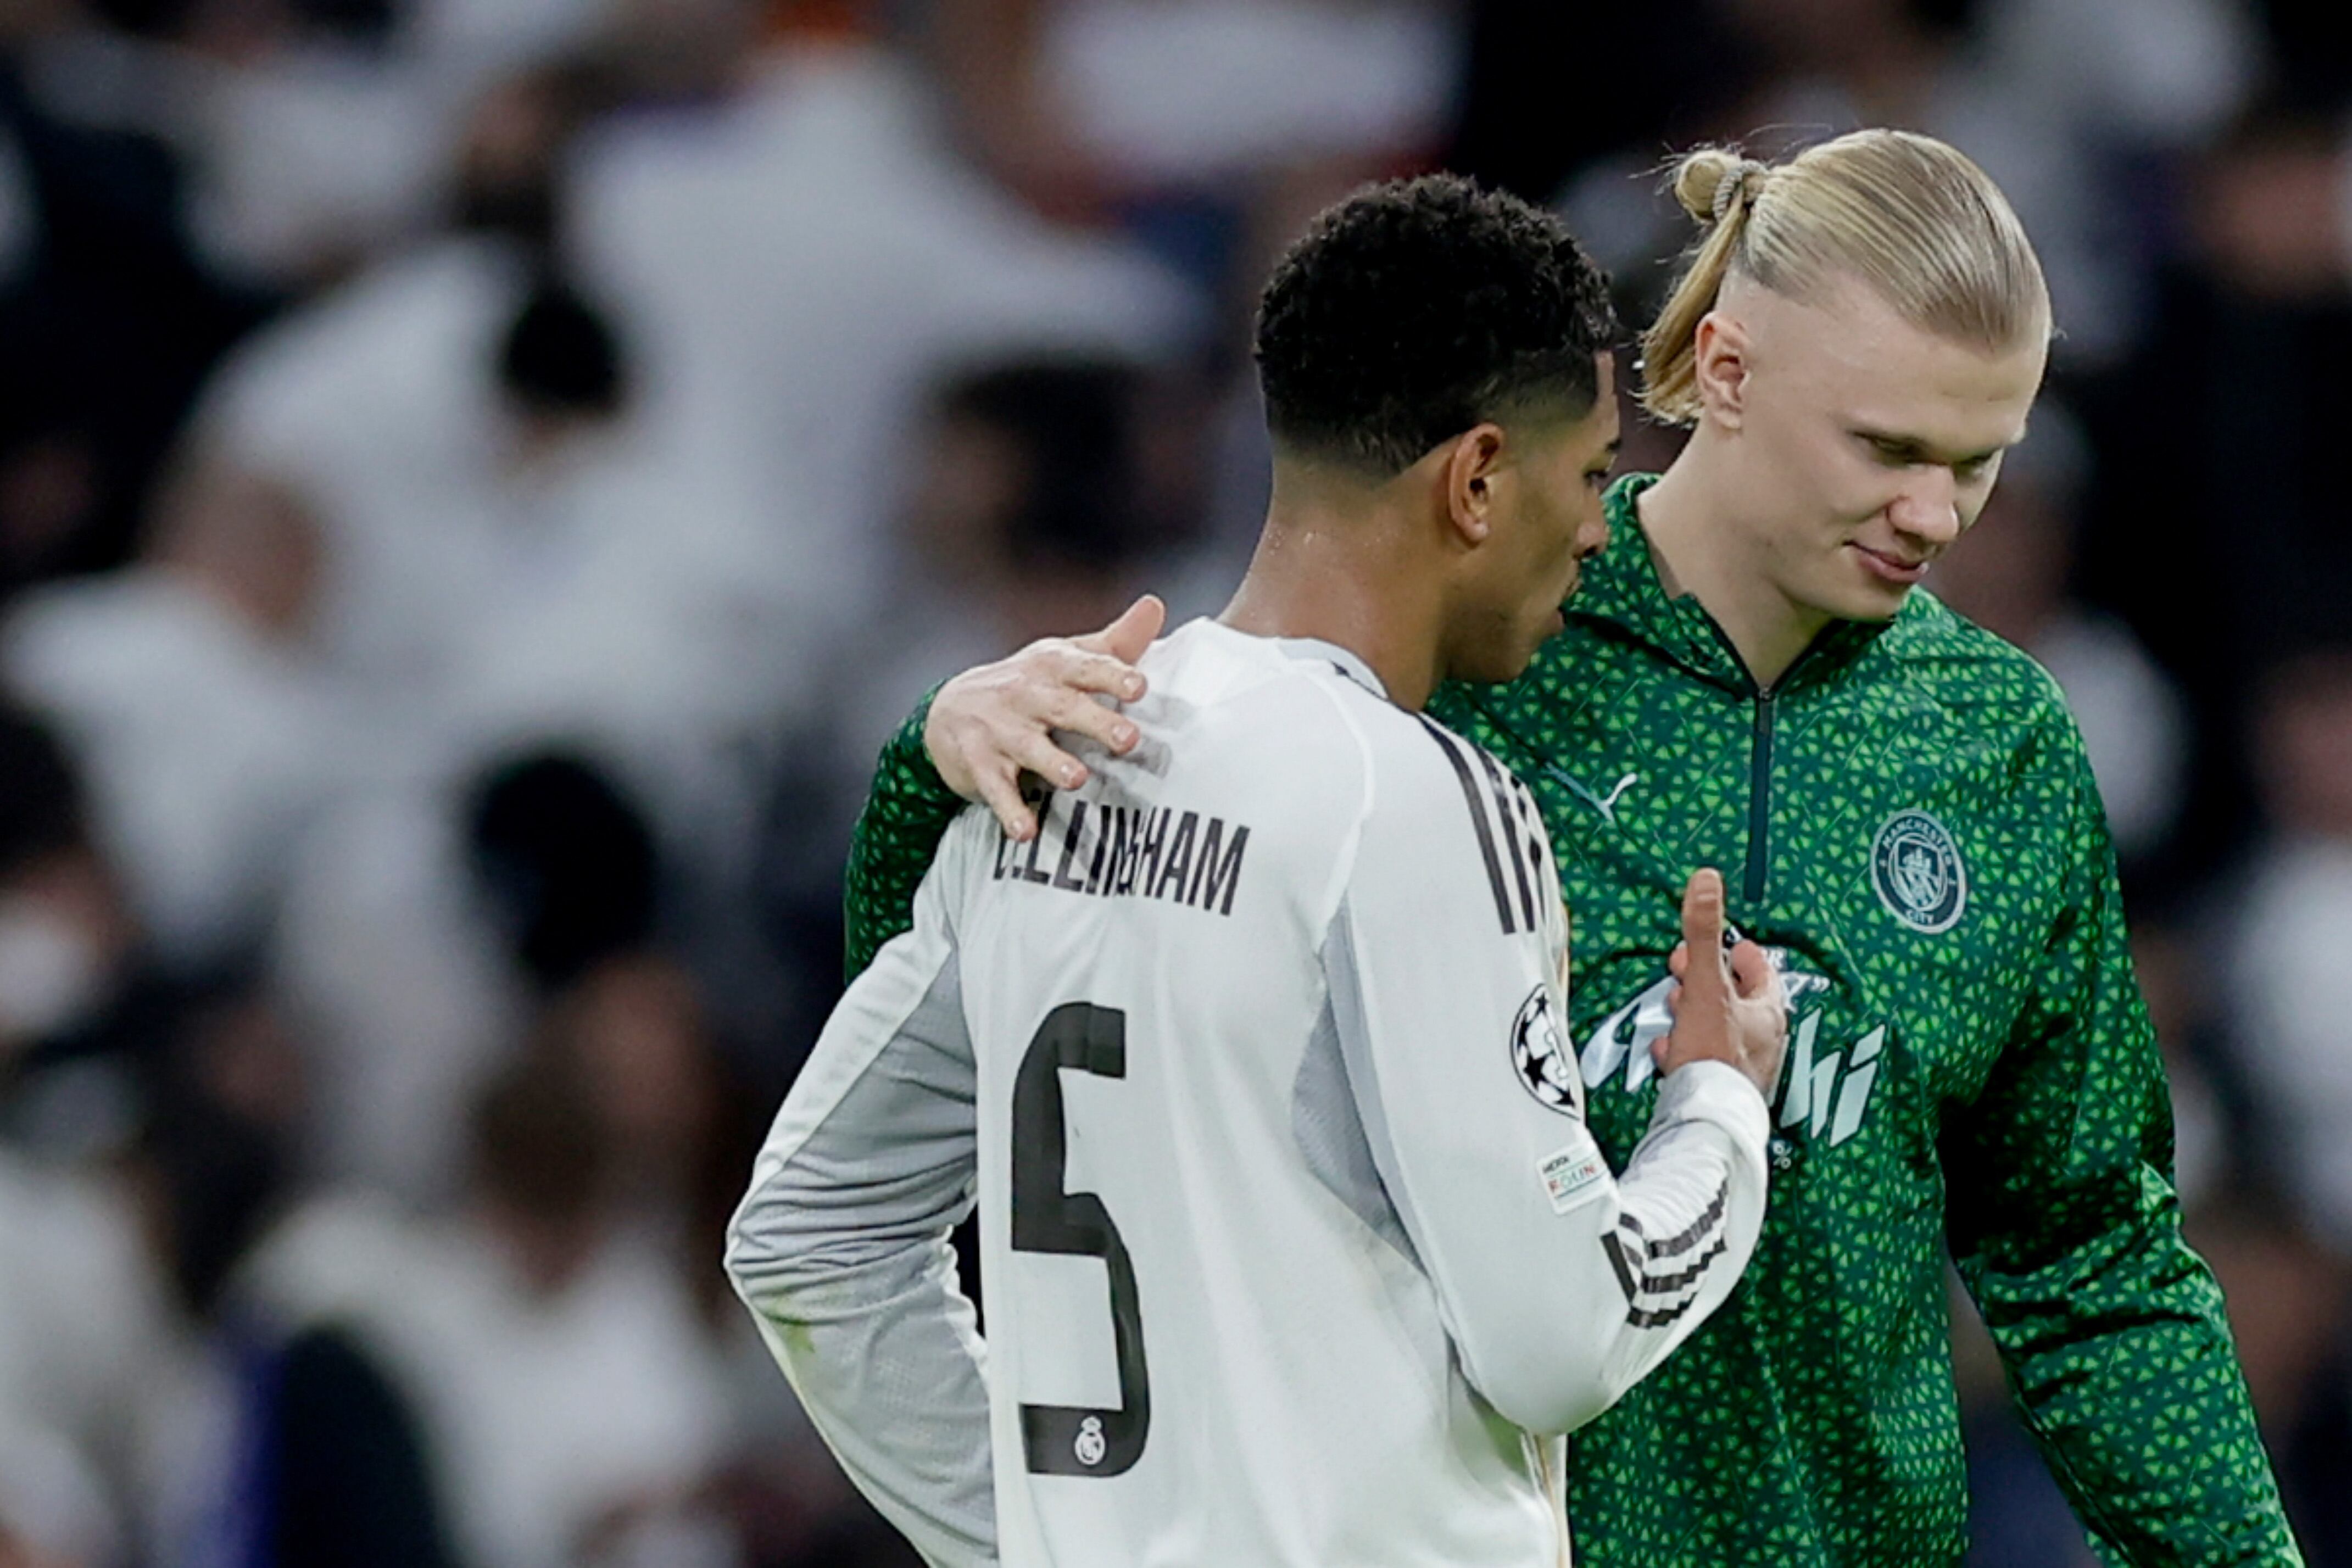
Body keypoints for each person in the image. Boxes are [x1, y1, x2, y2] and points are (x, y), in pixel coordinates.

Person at [841, 132, 2301, 1564]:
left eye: (1981, 460)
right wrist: (937, 758)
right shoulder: (1461, 635)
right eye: (1889, 449)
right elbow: (1001, 992)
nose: (1936, 514)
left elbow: (2090, 1264)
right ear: (1723, 371)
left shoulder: (1997, 742)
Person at [727, 176, 1788, 1567]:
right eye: (1588, 474)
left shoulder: (1056, 749)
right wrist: (1717, 1107)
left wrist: (1058, 1539)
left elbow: (809, 1235)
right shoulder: (1405, 793)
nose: (1599, 530)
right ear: (1475, 480)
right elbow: (1556, 1339)